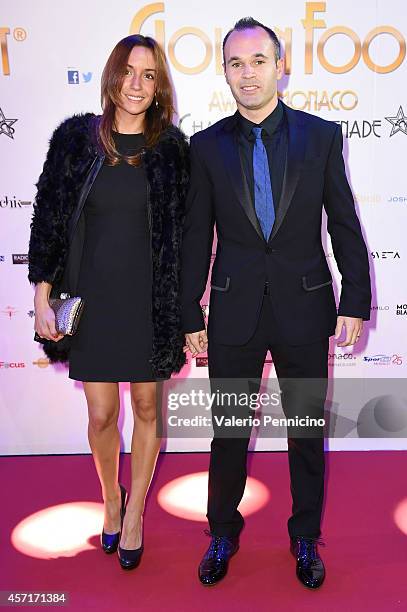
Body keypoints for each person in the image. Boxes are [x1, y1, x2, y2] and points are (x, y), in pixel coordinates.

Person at [181, 17, 371, 588]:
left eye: (259, 61)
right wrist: (190, 310)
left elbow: (343, 222)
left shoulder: (320, 137)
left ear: (280, 66)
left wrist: (355, 299)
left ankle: (305, 537)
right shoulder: (206, 146)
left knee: (307, 430)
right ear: (225, 72)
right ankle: (222, 531)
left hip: (306, 308)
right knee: (229, 432)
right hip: (234, 312)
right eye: (236, 64)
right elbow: (196, 235)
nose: (248, 74)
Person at [28, 34, 189, 570]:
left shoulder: (171, 149)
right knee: (101, 412)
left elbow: (185, 235)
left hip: (147, 301)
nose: (137, 84)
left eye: (148, 74)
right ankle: (111, 498)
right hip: (91, 298)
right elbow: (49, 216)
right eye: (128, 72)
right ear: (112, 77)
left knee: (146, 406)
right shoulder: (76, 140)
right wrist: (41, 294)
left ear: (159, 84)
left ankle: (136, 511)